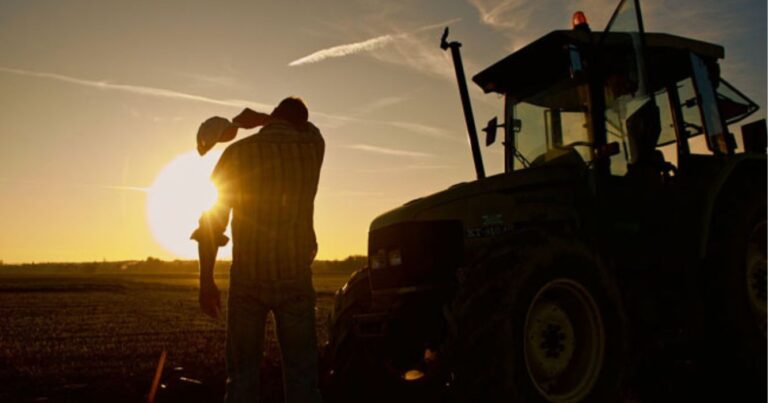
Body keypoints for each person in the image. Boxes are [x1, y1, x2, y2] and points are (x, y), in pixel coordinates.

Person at [191, 97, 324, 403]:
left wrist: (206, 280)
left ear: (276, 114)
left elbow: (212, 224)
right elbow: (311, 129)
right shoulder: (313, 149)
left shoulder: (237, 153)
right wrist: (264, 119)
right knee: (303, 376)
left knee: (242, 377)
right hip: (295, 279)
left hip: (248, 281)